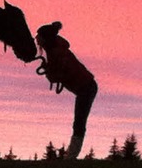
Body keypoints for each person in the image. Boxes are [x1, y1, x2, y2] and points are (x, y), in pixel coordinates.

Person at [35, 21, 98, 159]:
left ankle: (71, 156)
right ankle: (71, 155)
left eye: (38, 36)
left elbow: (61, 74)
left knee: (79, 122)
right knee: (79, 121)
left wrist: (50, 73)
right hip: (85, 87)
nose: (36, 38)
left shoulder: (57, 53)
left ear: (45, 38)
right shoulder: (54, 50)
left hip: (86, 88)